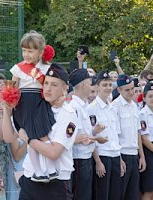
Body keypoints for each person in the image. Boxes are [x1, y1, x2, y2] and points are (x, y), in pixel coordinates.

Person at [3, 63, 78, 199]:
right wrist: (6, 110)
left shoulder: (68, 114)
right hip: (30, 178)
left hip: (55, 183)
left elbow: (53, 152)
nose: (48, 89)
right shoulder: (36, 107)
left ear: (65, 88)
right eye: (46, 83)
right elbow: (9, 138)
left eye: (54, 85)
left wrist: (29, 140)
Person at [9, 30, 56, 181]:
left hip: (40, 103)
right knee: (30, 138)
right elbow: (12, 88)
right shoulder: (18, 68)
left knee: (43, 135)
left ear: (41, 52)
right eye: (24, 50)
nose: (26, 54)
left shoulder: (47, 69)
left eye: (30, 51)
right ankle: (39, 172)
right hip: (24, 105)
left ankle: (51, 168)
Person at [87, 71, 122, 200]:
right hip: (102, 156)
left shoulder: (113, 108)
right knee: (102, 194)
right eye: (104, 85)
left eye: (109, 84)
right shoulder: (92, 108)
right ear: (97, 87)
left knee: (115, 194)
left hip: (115, 155)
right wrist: (98, 161)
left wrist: (120, 158)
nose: (108, 87)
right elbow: (90, 136)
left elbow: (115, 136)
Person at [112, 74, 146, 200]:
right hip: (122, 155)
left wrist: (141, 156)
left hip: (134, 155)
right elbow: (114, 135)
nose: (131, 92)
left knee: (133, 194)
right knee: (120, 193)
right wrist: (119, 159)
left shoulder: (134, 106)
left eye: (132, 88)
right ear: (119, 90)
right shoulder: (115, 107)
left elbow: (137, 132)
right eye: (127, 89)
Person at [69, 69, 97, 200]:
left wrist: (94, 135)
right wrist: (77, 139)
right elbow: (67, 135)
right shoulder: (74, 107)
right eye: (90, 83)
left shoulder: (84, 106)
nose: (91, 86)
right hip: (78, 159)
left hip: (86, 157)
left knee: (86, 195)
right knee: (79, 196)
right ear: (84, 85)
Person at [139, 81, 153, 200]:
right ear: (144, 97)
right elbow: (144, 138)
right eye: (150, 96)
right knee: (149, 190)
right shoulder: (142, 114)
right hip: (149, 152)